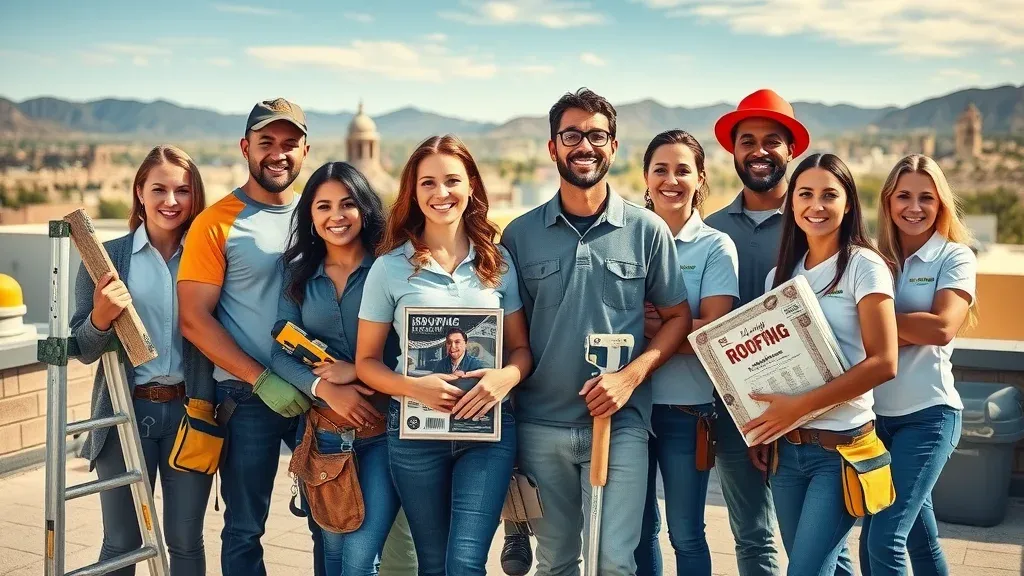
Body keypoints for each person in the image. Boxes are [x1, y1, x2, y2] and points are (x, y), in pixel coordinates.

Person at [500, 88, 692, 576]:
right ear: (552, 147)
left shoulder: (648, 231)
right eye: (571, 135)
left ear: (613, 146)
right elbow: (511, 336)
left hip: (622, 425)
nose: (584, 145)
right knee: (557, 563)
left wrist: (630, 378)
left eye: (596, 135)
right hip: (540, 425)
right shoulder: (519, 235)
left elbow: (677, 319)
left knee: (613, 564)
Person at [355, 134, 534, 575]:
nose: (441, 193)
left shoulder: (499, 263)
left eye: (452, 180)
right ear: (413, 192)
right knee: (433, 565)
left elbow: (520, 350)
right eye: (427, 183)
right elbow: (367, 363)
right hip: (416, 436)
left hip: (487, 434)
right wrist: (415, 387)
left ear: (471, 184)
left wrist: (505, 378)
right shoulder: (389, 268)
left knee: (466, 563)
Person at [177, 98, 322, 576]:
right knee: (244, 528)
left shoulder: (325, 214)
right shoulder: (216, 222)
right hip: (248, 397)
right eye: (266, 143)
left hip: (323, 394)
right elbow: (194, 320)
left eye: (289, 143)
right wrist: (262, 380)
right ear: (246, 147)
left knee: (332, 520)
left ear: (305, 151)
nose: (278, 154)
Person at [746, 153, 899, 576]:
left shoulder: (864, 266)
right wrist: (765, 428)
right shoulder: (779, 276)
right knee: (826, 567)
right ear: (791, 203)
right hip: (786, 453)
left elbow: (885, 362)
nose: (816, 205)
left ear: (848, 203)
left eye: (830, 195)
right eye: (805, 194)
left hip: (841, 451)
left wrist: (801, 406)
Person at [71, 145, 212, 574]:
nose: (171, 201)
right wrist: (100, 316)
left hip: (191, 413)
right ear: (139, 192)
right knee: (122, 542)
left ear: (195, 197)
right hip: (123, 413)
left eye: (182, 191)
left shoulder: (207, 258)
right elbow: (81, 348)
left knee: (186, 542)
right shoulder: (107, 258)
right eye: (159, 189)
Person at [271, 161, 418, 575]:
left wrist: (357, 370)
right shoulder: (296, 271)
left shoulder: (393, 266)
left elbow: (417, 346)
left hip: (385, 434)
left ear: (365, 209)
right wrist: (325, 390)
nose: (336, 216)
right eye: (323, 206)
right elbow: (280, 352)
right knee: (332, 557)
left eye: (347, 204)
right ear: (310, 216)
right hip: (325, 439)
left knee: (358, 560)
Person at [859, 154, 977, 576]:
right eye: (904, 196)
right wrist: (904, 330)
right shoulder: (872, 259)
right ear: (888, 202)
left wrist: (875, 324)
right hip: (874, 422)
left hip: (929, 418)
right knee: (917, 540)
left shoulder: (955, 257)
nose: (914, 207)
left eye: (926, 197)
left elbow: (943, 327)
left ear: (941, 203)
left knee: (883, 538)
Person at [703, 88, 804, 576]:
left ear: (792, 151)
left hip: (809, 407)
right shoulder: (712, 230)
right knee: (753, 539)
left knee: (814, 541)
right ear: (734, 150)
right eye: (747, 140)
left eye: (771, 141)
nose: (759, 151)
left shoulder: (814, 225)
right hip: (732, 412)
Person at [633, 130, 739, 576]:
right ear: (645, 176)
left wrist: (652, 325)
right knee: (637, 533)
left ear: (700, 179)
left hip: (687, 411)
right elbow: (610, 322)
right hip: (629, 407)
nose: (671, 180)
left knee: (686, 533)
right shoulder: (626, 238)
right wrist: (680, 326)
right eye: (661, 169)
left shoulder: (716, 246)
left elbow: (713, 334)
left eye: (683, 170)